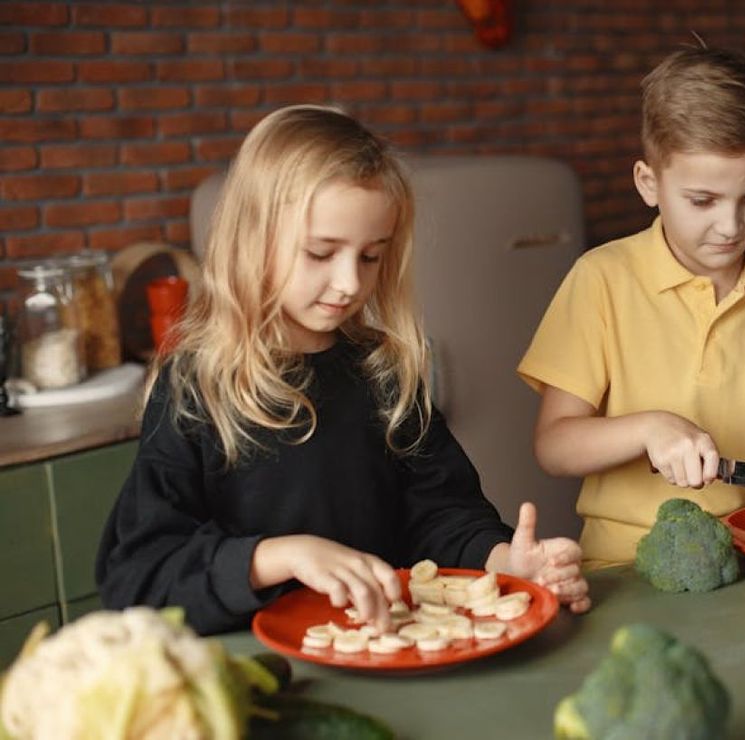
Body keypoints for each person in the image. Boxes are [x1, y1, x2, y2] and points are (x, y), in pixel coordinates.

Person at [97, 105, 590, 635]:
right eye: (320, 253)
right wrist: (282, 556)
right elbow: (139, 577)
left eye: (370, 256)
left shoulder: (383, 375)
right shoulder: (195, 388)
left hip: (383, 651)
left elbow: (442, 517)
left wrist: (506, 562)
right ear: (253, 239)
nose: (350, 283)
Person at [517, 46, 745, 569]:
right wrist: (647, 428)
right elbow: (554, 446)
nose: (731, 226)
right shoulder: (601, 279)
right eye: (703, 201)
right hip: (620, 566)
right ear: (649, 184)